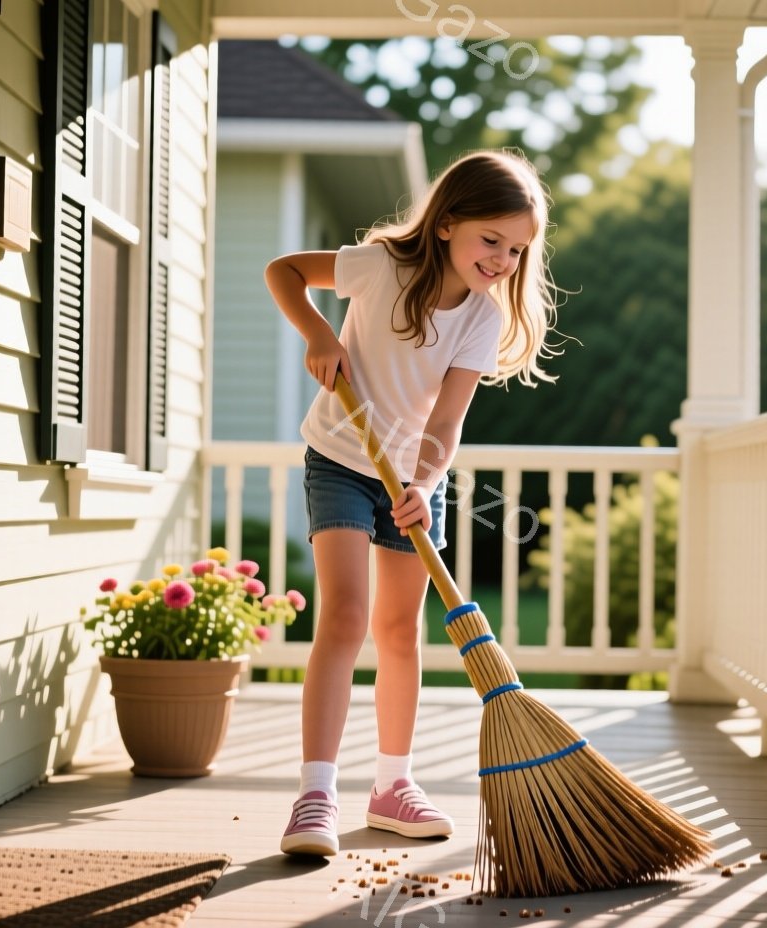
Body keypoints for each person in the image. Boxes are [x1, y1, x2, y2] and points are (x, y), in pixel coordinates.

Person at [264, 150, 560, 856]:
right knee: (346, 615)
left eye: (517, 250)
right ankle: (316, 794)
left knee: (400, 630)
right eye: (492, 240)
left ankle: (392, 784)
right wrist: (319, 334)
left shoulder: (480, 320)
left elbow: (446, 423)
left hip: (414, 481)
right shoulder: (381, 267)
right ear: (450, 223)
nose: (502, 260)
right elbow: (287, 272)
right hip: (340, 458)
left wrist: (424, 486)